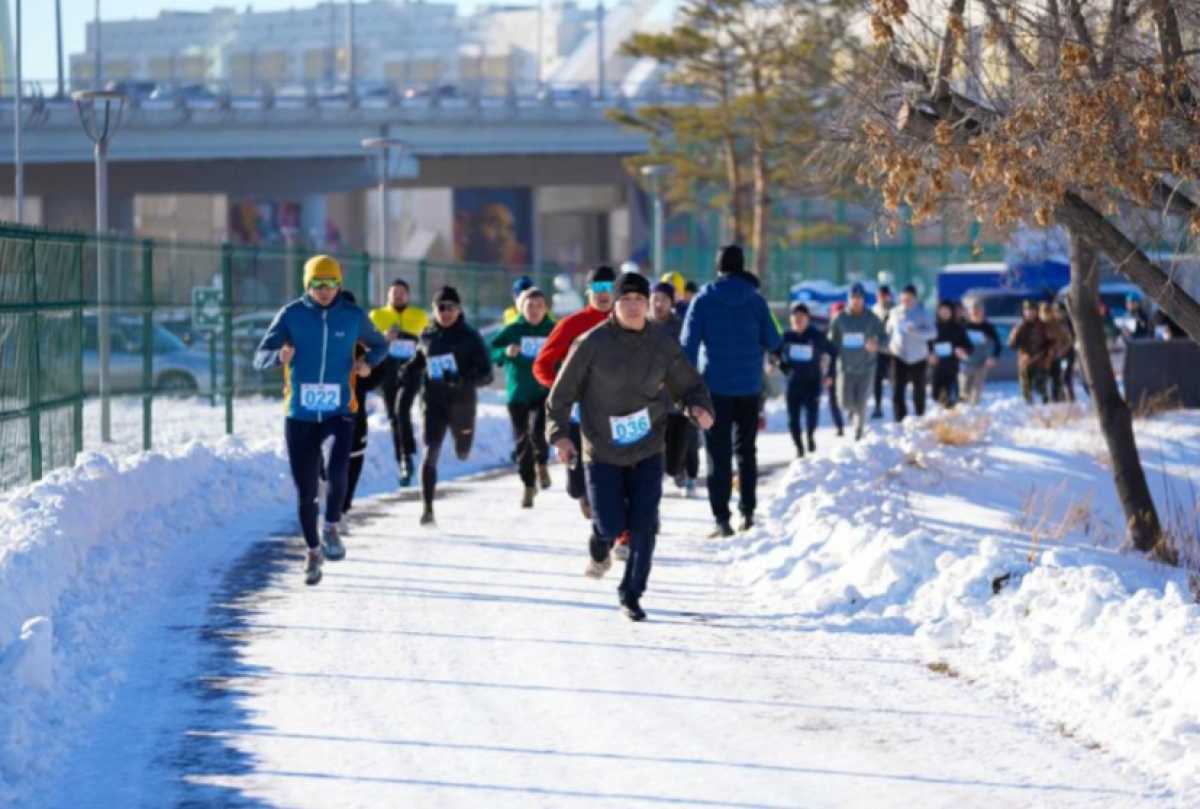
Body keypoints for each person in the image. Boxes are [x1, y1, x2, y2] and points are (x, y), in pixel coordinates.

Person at [547, 271, 714, 621]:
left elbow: (688, 384)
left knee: (644, 525)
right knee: (609, 524)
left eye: (640, 299)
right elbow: (560, 396)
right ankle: (599, 541)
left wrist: (698, 407)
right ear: (616, 304)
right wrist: (560, 435)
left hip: (647, 446)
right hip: (602, 448)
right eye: (627, 299)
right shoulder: (591, 343)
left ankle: (632, 593)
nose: (635, 306)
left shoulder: (661, 343)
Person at [254, 255, 389, 585]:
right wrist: (278, 356)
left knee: (338, 466)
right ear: (307, 285)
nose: (325, 290)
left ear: (339, 285)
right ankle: (313, 551)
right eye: (318, 284)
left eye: (330, 284)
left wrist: (367, 363)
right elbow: (259, 356)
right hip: (300, 413)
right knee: (306, 489)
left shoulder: (352, 316)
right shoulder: (291, 315)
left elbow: (380, 345)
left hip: (339, 409)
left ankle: (331, 527)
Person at [681, 245, 782, 537]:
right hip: (749, 386)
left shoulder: (703, 299)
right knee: (746, 451)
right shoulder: (756, 301)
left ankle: (721, 519)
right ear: (742, 266)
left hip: (714, 387)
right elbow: (774, 340)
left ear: (718, 267)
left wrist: (687, 384)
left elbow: (687, 344)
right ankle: (748, 512)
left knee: (717, 453)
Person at [403, 286, 494, 525]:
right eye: (440, 308)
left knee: (463, 451)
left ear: (459, 309)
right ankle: (427, 508)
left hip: (462, 404)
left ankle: (463, 446)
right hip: (433, 403)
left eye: (450, 307)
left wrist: (462, 380)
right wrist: (409, 369)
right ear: (434, 310)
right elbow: (420, 359)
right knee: (429, 452)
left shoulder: (471, 337)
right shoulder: (427, 334)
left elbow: (487, 374)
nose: (445, 312)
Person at [533, 266, 617, 518]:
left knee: (617, 473)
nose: (604, 294)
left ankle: (616, 530)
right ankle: (586, 497)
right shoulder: (573, 324)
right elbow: (542, 364)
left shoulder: (627, 321)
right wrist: (562, 390)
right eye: (598, 289)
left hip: (617, 410)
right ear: (588, 291)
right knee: (578, 484)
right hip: (580, 414)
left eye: (609, 288)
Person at [491, 287, 556, 507]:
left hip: (543, 392)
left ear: (546, 308)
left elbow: (568, 352)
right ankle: (528, 485)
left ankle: (542, 463)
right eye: (530, 306)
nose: (535, 310)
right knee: (522, 440)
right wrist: (505, 352)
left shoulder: (553, 329)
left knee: (537, 432)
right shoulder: (513, 329)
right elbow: (491, 350)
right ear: (522, 307)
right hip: (518, 392)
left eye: (539, 306)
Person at [368, 279, 430, 487]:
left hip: (412, 372)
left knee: (402, 410)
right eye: (394, 292)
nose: (398, 296)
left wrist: (423, 342)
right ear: (387, 295)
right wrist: (383, 338)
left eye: (402, 292)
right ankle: (404, 459)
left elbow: (429, 340)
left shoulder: (419, 316)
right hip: (388, 372)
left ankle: (407, 457)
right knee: (394, 416)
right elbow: (366, 344)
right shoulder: (377, 316)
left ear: (408, 295)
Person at [652, 281, 699, 496]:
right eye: (655, 298)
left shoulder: (681, 328)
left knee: (677, 452)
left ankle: (680, 471)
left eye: (663, 299)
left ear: (672, 303)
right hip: (649, 401)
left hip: (676, 400)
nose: (658, 303)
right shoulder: (642, 326)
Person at [828, 283, 886, 440]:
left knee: (862, 402)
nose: (856, 301)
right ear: (848, 299)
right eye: (853, 298)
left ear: (864, 299)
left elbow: (885, 339)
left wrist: (877, 345)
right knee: (844, 402)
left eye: (859, 298)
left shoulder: (872, 319)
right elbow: (831, 342)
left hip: (866, 367)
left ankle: (858, 430)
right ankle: (853, 412)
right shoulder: (840, 318)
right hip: (846, 368)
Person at [777, 302, 836, 457]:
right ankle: (799, 447)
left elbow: (833, 352)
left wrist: (830, 374)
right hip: (793, 383)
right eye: (795, 317)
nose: (798, 320)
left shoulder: (816, 335)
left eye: (801, 317)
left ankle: (810, 435)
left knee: (812, 415)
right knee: (792, 420)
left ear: (808, 319)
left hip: (812, 382)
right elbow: (776, 354)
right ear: (790, 319)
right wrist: (782, 367)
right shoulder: (786, 336)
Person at [885, 284, 937, 422]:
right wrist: (888, 344)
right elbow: (888, 331)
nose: (906, 302)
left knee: (919, 390)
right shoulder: (894, 312)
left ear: (915, 298)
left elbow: (933, 333)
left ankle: (920, 417)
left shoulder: (923, 313)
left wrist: (916, 332)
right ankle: (900, 420)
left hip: (918, 356)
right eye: (903, 299)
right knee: (897, 390)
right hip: (898, 355)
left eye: (909, 299)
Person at [928, 300, 973, 408]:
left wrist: (962, 350)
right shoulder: (932, 328)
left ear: (952, 312)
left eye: (947, 311)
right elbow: (925, 345)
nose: (944, 313)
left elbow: (969, 346)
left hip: (952, 367)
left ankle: (950, 416)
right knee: (935, 396)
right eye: (942, 310)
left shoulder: (958, 328)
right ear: (938, 312)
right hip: (936, 367)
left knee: (951, 397)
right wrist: (929, 354)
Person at [1008, 299, 1052, 404]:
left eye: (1032, 310)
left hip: (1040, 362)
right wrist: (1015, 333)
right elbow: (1012, 346)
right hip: (1025, 362)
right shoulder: (1020, 326)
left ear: (1036, 311)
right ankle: (1030, 410)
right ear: (1024, 312)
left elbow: (1052, 342)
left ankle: (1046, 411)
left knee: (1042, 390)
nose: (1030, 313)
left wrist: (1045, 353)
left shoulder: (1043, 326)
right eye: (1027, 310)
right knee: (1026, 390)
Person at [960, 300, 1001, 405]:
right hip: (966, 363)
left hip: (982, 363)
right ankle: (964, 414)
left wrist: (993, 357)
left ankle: (974, 411)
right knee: (964, 392)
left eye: (978, 310)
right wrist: (958, 350)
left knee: (976, 391)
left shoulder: (988, 327)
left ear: (983, 312)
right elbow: (956, 341)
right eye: (973, 310)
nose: (976, 312)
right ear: (969, 312)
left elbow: (998, 345)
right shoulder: (964, 326)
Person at [1041, 301, 1074, 402]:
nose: (1058, 314)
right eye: (1055, 312)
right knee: (1052, 379)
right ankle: (1056, 400)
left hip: (1065, 355)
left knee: (1064, 378)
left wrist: (1062, 350)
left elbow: (1069, 340)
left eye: (1060, 312)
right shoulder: (1047, 324)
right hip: (1052, 356)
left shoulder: (1067, 323)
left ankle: (1068, 399)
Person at [871, 284, 895, 419]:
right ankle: (878, 406)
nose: (881, 298)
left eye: (884, 296)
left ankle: (897, 405)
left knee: (896, 379)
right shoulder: (874, 310)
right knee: (877, 379)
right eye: (879, 296)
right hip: (879, 349)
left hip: (893, 349)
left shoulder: (896, 310)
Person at [826, 302, 846, 437]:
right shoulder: (826, 333)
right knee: (833, 398)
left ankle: (854, 416)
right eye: (836, 314)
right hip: (832, 369)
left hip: (850, 368)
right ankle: (839, 425)